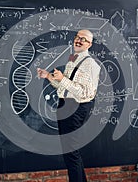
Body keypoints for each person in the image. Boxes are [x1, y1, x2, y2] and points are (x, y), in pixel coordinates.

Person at [37, 29, 101, 182]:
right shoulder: (73, 59)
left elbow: (85, 94)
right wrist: (49, 77)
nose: (79, 40)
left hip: (76, 108)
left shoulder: (90, 65)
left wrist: (63, 79)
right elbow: (63, 88)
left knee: (71, 153)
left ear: (89, 44)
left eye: (83, 39)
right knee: (69, 152)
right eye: (77, 37)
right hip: (65, 105)